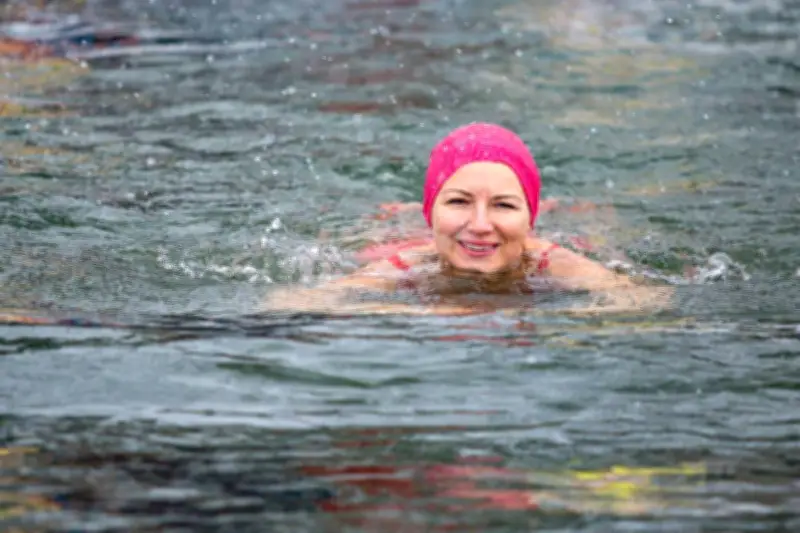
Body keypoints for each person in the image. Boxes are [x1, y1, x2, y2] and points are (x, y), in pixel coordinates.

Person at [262, 122, 671, 316]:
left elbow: (647, 300)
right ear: (431, 213)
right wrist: (424, 313)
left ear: (530, 218)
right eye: (458, 201)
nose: (479, 224)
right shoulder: (404, 265)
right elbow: (284, 305)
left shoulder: (554, 262)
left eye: (504, 205)